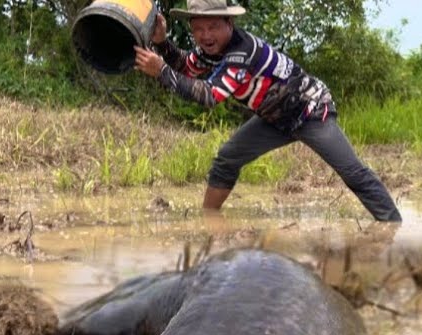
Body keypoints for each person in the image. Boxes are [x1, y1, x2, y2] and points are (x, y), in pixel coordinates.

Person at [133, 0, 401, 222]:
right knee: (227, 158)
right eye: (198, 28)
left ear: (230, 24)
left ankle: (393, 224)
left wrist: (162, 72)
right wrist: (163, 43)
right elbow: (187, 67)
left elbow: (211, 95)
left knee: (353, 172)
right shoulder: (211, 50)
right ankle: (208, 220)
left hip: (310, 111)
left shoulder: (243, 51)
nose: (205, 35)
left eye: (213, 26)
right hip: (274, 118)